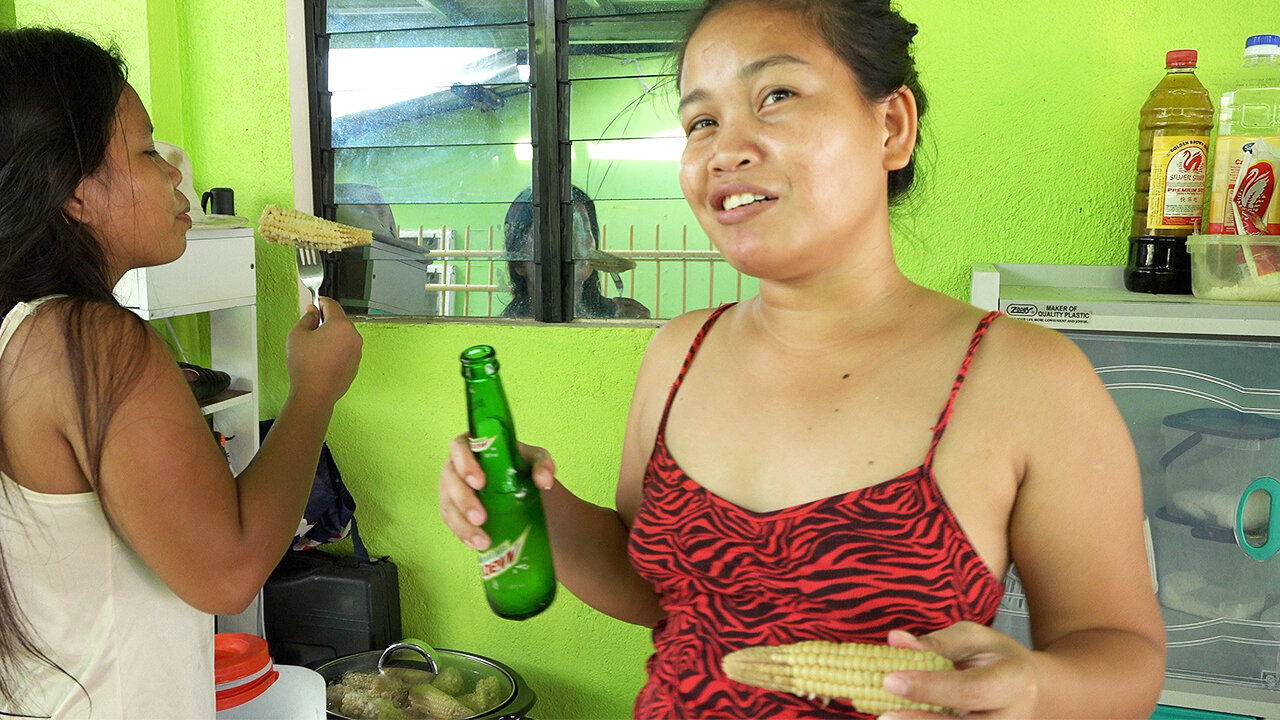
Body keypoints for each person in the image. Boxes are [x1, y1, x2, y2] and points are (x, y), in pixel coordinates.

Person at [440, 0, 1166, 717]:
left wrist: (1034, 691)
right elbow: (653, 589)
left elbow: (1120, 650)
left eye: (777, 95)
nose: (726, 148)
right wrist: (533, 505)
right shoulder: (677, 354)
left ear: (891, 125)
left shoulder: (1026, 376)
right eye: (701, 122)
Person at [0, 28, 362, 717]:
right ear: (69, 189)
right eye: (144, 150)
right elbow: (228, 572)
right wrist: (314, 392)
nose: (173, 173)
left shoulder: (21, 331)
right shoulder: (90, 341)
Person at [501, 185, 651, 319]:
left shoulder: (614, 318)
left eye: (585, 230)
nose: (576, 244)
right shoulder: (507, 327)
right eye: (556, 234)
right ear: (519, 263)